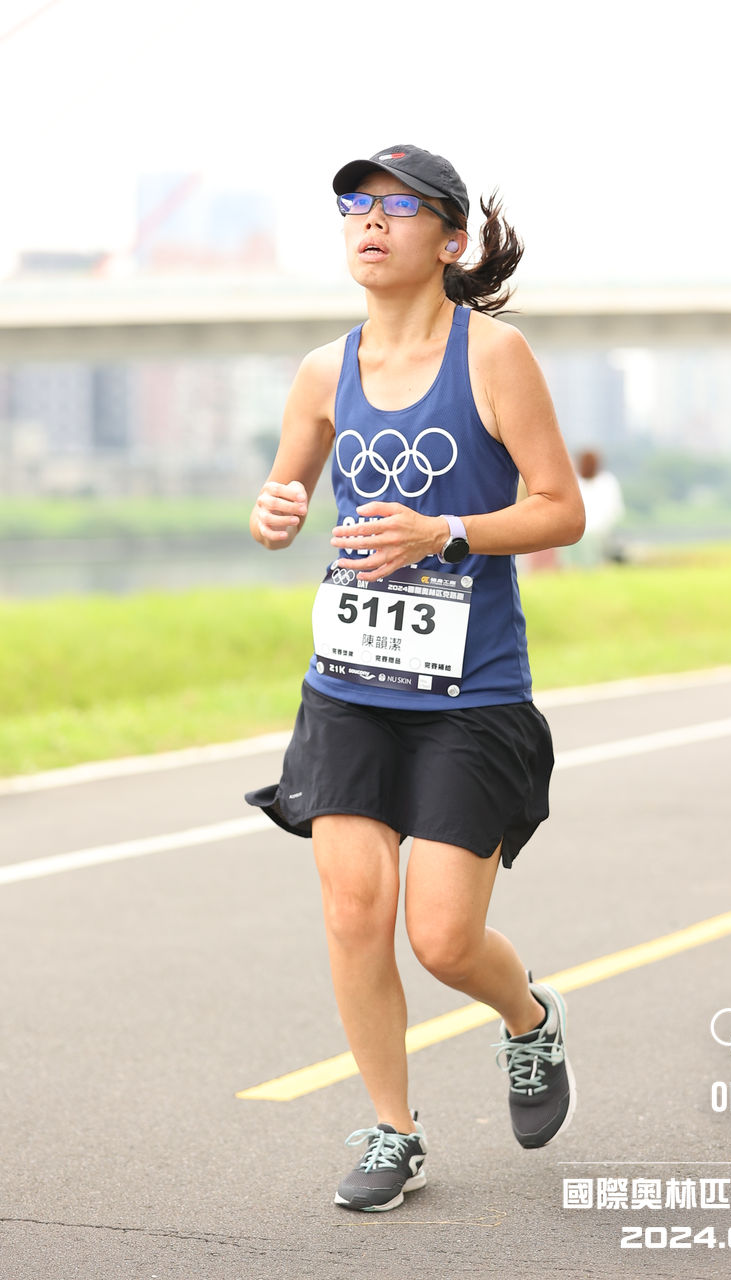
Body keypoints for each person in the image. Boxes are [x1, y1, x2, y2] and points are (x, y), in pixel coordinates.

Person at [245, 145, 585, 1212]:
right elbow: (283, 494)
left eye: (397, 207)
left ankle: (528, 1018)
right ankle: (393, 1130)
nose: (370, 221)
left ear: (450, 240)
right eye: (356, 204)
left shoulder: (494, 356)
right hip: (349, 684)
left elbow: (559, 509)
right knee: (355, 912)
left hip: (468, 695)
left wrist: (444, 531)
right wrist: (273, 513)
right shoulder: (322, 371)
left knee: (441, 937)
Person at [572, 448, 625, 565]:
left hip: (600, 532)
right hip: (582, 532)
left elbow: (613, 511)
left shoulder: (607, 482)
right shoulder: (576, 482)